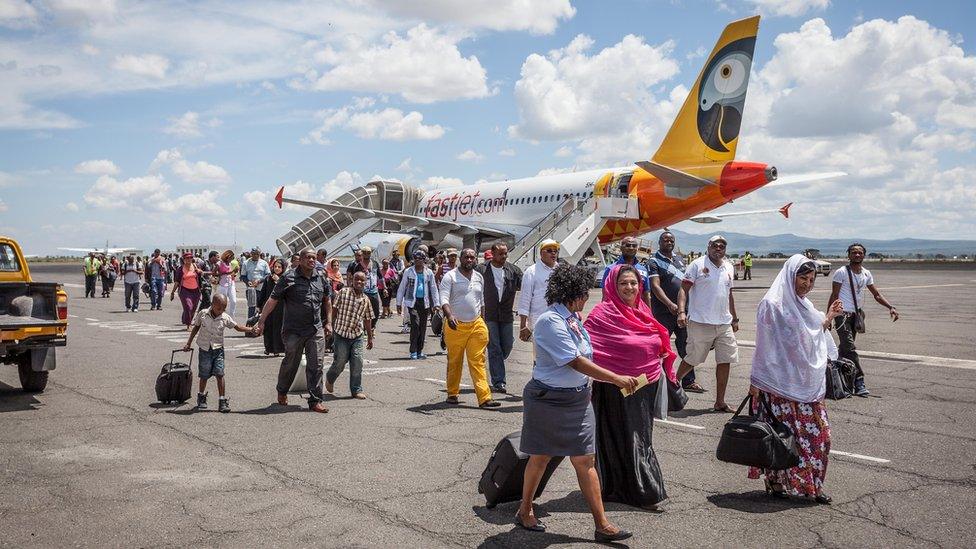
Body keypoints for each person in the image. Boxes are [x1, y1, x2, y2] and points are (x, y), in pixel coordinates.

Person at [517, 264, 637, 543]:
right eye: (584, 292)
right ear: (573, 292)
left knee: (585, 459)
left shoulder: (572, 317)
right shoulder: (549, 321)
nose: (587, 296)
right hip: (549, 399)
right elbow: (575, 360)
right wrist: (617, 379)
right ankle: (525, 510)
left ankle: (602, 524)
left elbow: (588, 354)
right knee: (541, 457)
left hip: (577, 398)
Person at [748, 255, 844, 504]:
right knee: (779, 439)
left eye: (811, 279)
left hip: (806, 385)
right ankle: (777, 482)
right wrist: (756, 382)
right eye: (803, 278)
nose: (807, 284)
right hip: (778, 386)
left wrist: (829, 317)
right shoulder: (772, 304)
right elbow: (764, 346)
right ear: (791, 276)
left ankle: (813, 486)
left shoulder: (805, 305)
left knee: (820, 437)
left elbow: (812, 334)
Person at [585, 264, 677, 510]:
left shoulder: (643, 310)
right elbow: (586, 350)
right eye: (623, 283)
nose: (629, 287)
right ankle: (640, 491)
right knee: (618, 439)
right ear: (612, 286)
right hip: (612, 389)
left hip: (643, 387)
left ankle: (638, 489)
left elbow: (656, 340)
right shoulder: (601, 314)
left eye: (634, 283)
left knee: (640, 438)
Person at [255, 247, 334, 413]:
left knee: (317, 364)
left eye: (314, 258)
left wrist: (329, 322)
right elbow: (273, 300)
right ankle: (282, 390)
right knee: (291, 362)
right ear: (302, 259)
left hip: (315, 328)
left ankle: (315, 400)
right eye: (308, 258)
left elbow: (327, 300)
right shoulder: (288, 277)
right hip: (293, 330)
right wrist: (262, 321)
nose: (312, 260)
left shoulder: (321, 277)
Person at [676, 235, 739, 412]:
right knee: (693, 359)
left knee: (725, 360)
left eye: (722, 246)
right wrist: (682, 312)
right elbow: (683, 289)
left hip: (724, 323)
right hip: (701, 321)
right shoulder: (697, 264)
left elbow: (729, 294)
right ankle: (670, 386)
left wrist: (734, 318)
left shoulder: (729, 266)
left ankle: (720, 402)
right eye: (715, 245)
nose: (718, 248)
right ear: (708, 247)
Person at [827, 243, 898, 396]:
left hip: (856, 316)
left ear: (864, 255)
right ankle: (859, 381)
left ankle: (837, 378)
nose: (857, 255)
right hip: (842, 315)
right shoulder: (841, 272)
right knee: (850, 348)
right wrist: (829, 317)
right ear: (848, 255)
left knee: (844, 350)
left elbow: (876, 294)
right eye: (854, 253)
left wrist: (890, 307)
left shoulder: (866, 274)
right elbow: (834, 295)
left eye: (860, 253)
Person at [438, 248, 500, 408]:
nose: (470, 260)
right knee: (454, 361)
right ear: (461, 258)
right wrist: (449, 316)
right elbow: (443, 298)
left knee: (478, 361)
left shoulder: (479, 277)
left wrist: (483, 322)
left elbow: (482, 302)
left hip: (476, 325)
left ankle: (485, 398)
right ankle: (452, 393)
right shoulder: (450, 276)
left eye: (472, 257)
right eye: (466, 257)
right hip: (455, 325)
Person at [647, 231, 703, 392]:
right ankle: (658, 380)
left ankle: (688, 381)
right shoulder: (653, 261)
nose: (669, 242)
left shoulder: (679, 259)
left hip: (682, 312)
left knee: (686, 346)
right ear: (659, 242)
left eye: (671, 240)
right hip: (664, 312)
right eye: (665, 240)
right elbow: (655, 287)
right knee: (661, 348)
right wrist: (670, 304)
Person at [182, 293, 254, 413]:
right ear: (212, 305)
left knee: (220, 374)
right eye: (219, 308)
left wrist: (250, 329)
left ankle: (222, 400)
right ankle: (201, 397)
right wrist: (188, 343)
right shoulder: (203, 314)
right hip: (204, 349)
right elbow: (196, 327)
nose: (221, 310)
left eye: (224, 308)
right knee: (204, 375)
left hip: (218, 350)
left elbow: (237, 327)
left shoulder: (225, 317)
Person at [475, 241, 522, 394]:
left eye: (505, 253)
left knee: (507, 345)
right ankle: (499, 381)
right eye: (500, 254)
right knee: (494, 346)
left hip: (506, 315)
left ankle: (497, 363)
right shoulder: (481, 270)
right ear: (493, 254)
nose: (504, 256)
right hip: (489, 314)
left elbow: (526, 287)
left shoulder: (514, 271)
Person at [325, 271, 375, 399]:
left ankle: (356, 390)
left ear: (365, 282)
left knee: (357, 362)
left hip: (357, 335)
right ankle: (330, 378)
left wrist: (369, 337)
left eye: (362, 280)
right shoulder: (343, 292)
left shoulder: (366, 300)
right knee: (340, 361)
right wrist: (330, 325)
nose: (359, 282)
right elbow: (334, 309)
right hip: (341, 333)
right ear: (352, 280)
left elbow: (367, 320)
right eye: (357, 279)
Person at [397, 251, 439, 359]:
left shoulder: (428, 272)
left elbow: (433, 289)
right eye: (415, 258)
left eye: (420, 258)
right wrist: (398, 303)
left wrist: (436, 304)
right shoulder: (408, 271)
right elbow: (402, 287)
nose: (417, 260)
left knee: (422, 327)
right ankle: (413, 351)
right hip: (412, 302)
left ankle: (420, 351)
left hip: (424, 303)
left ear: (424, 260)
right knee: (415, 324)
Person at [518, 239, 559, 343]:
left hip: (558, 319)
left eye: (556, 250)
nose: (553, 253)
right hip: (538, 321)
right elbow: (525, 299)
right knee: (540, 356)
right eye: (549, 250)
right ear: (541, 253)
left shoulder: (560, 270)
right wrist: (523, 325)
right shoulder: (531, 271)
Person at [601, 236, 651, 307]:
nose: (631, 248)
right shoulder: (610, 269)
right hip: (616, 311)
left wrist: (649, 315)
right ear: (621, 248)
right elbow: (605, 295)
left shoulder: (643, 270)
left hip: (637, 312)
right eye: (628, 245)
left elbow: (646, 294)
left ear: (637, 248)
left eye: (634, 246)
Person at [256, 258, 286, 356]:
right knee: (268, 328)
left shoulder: (285, 279)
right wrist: (259, 305)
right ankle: (268, 348)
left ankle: (277, 349)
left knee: (278, 328)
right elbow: (263, 293)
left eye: (279, 267)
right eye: (275, 266)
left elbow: (286, 292)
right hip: (268, 307)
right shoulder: (268, 278)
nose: (277, 269)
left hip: (280, 308)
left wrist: (278, 281)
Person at [170, 252, 203, 330]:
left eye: (190, 258)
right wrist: (172, 292)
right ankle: (189, 324)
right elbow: (177, 282)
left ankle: (187, 319)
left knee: (193, 308)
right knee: (188, 306)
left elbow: (201, 274)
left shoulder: (196, 267)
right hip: (185, 291)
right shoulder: (180, 269)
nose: (189, 259)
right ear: (183, 260)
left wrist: (200, 271)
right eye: (187, 258)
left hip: (196, 291)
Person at [242, 247, 271, 319]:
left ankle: (259, 326)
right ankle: (250, 326)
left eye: (257, 254)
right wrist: (248, 282)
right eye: (253, 254)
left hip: (261, 289)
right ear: (251, 254)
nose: (255, 255)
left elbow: (268, 275)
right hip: (251, 289)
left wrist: (259, 281)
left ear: (259, 254)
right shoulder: (246, 263)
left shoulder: (264, 263)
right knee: (251, 308)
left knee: (261, 307)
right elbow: (243, 275)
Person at [214, 250, 239, 318]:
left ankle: (231, 317)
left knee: (233, 301)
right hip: (222, 284)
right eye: (231, 258)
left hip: (231, 283)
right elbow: (214, 273)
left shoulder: (229, 263)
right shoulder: (219, 263)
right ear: (227, 256)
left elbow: (230, 273)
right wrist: (229, 272)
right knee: (222, 302)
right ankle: (221, 316)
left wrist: (234, 273)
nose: (231, 260)